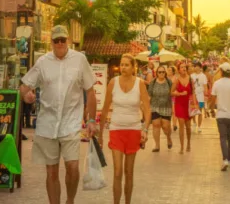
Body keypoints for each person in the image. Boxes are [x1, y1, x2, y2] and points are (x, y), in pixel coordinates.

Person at [20, 25, 96, 204]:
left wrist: (91, 119)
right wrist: (27, 96)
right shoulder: (43, 62)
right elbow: (24, 87)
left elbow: (90, 91)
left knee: (73, 166)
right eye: (57, 41)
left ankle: (70, 200)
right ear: (51, 42)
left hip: (71, 123)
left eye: (63, 40)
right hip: (48, 123)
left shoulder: (79, 59)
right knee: (52, 171)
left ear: (68, 40)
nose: (60, 43)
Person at [99, 54, 151, 204]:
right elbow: (104, 108)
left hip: (133, 130)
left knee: (129, 172)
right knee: (117, 171)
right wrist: (101, 134)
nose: (123, 67)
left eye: (126, 65)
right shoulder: (113, 83)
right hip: (116, 129)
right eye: (121, 65)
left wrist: (145, 130)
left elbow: (147, 110)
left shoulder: (140, 83)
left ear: (133, 67)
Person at [210, 62, 230, 171]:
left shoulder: (216, 84)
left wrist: (211, 109)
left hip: (221, 115)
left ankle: (225, 160)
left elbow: (212, 100)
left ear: (221, 72)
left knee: (223, 138)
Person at [147, 64, 174, 151]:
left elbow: (172, 94)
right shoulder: (153, 82)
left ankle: (168, 138)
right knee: (156, 125)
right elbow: (149, 94)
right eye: (159, 72)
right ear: (157, 73)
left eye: (163, 72)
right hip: (154, 106)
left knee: (166, 126)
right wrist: (146, 105)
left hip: (166, 106)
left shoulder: (169, 82)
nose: (161, 73)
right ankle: (157, 145)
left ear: (165, 73)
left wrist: (173, 106)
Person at [171, 60, 194, 153]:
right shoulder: (176, 80)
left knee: (188, 127)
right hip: (179, 104)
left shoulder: (190, 79)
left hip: (188, 105)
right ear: (179, 70)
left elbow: (193, 92)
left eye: (185, 67)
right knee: (181, 125)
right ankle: (181, 146)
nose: (184, 69)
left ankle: (188, 143)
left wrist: (194, 104)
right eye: (182, 67)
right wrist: (179, 94)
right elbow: (171, 92)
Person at [191, 61, 209, 133]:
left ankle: (199, 126)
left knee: (200, 111)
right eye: (194, 66)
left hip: (200, 95)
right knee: (193, 110)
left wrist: (206, 95)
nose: (195, 67)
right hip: (193, 95)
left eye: (196, 66)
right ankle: (194, 123)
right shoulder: (192, 75)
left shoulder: (203, 76)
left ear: (200, 67)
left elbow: (205, 86)